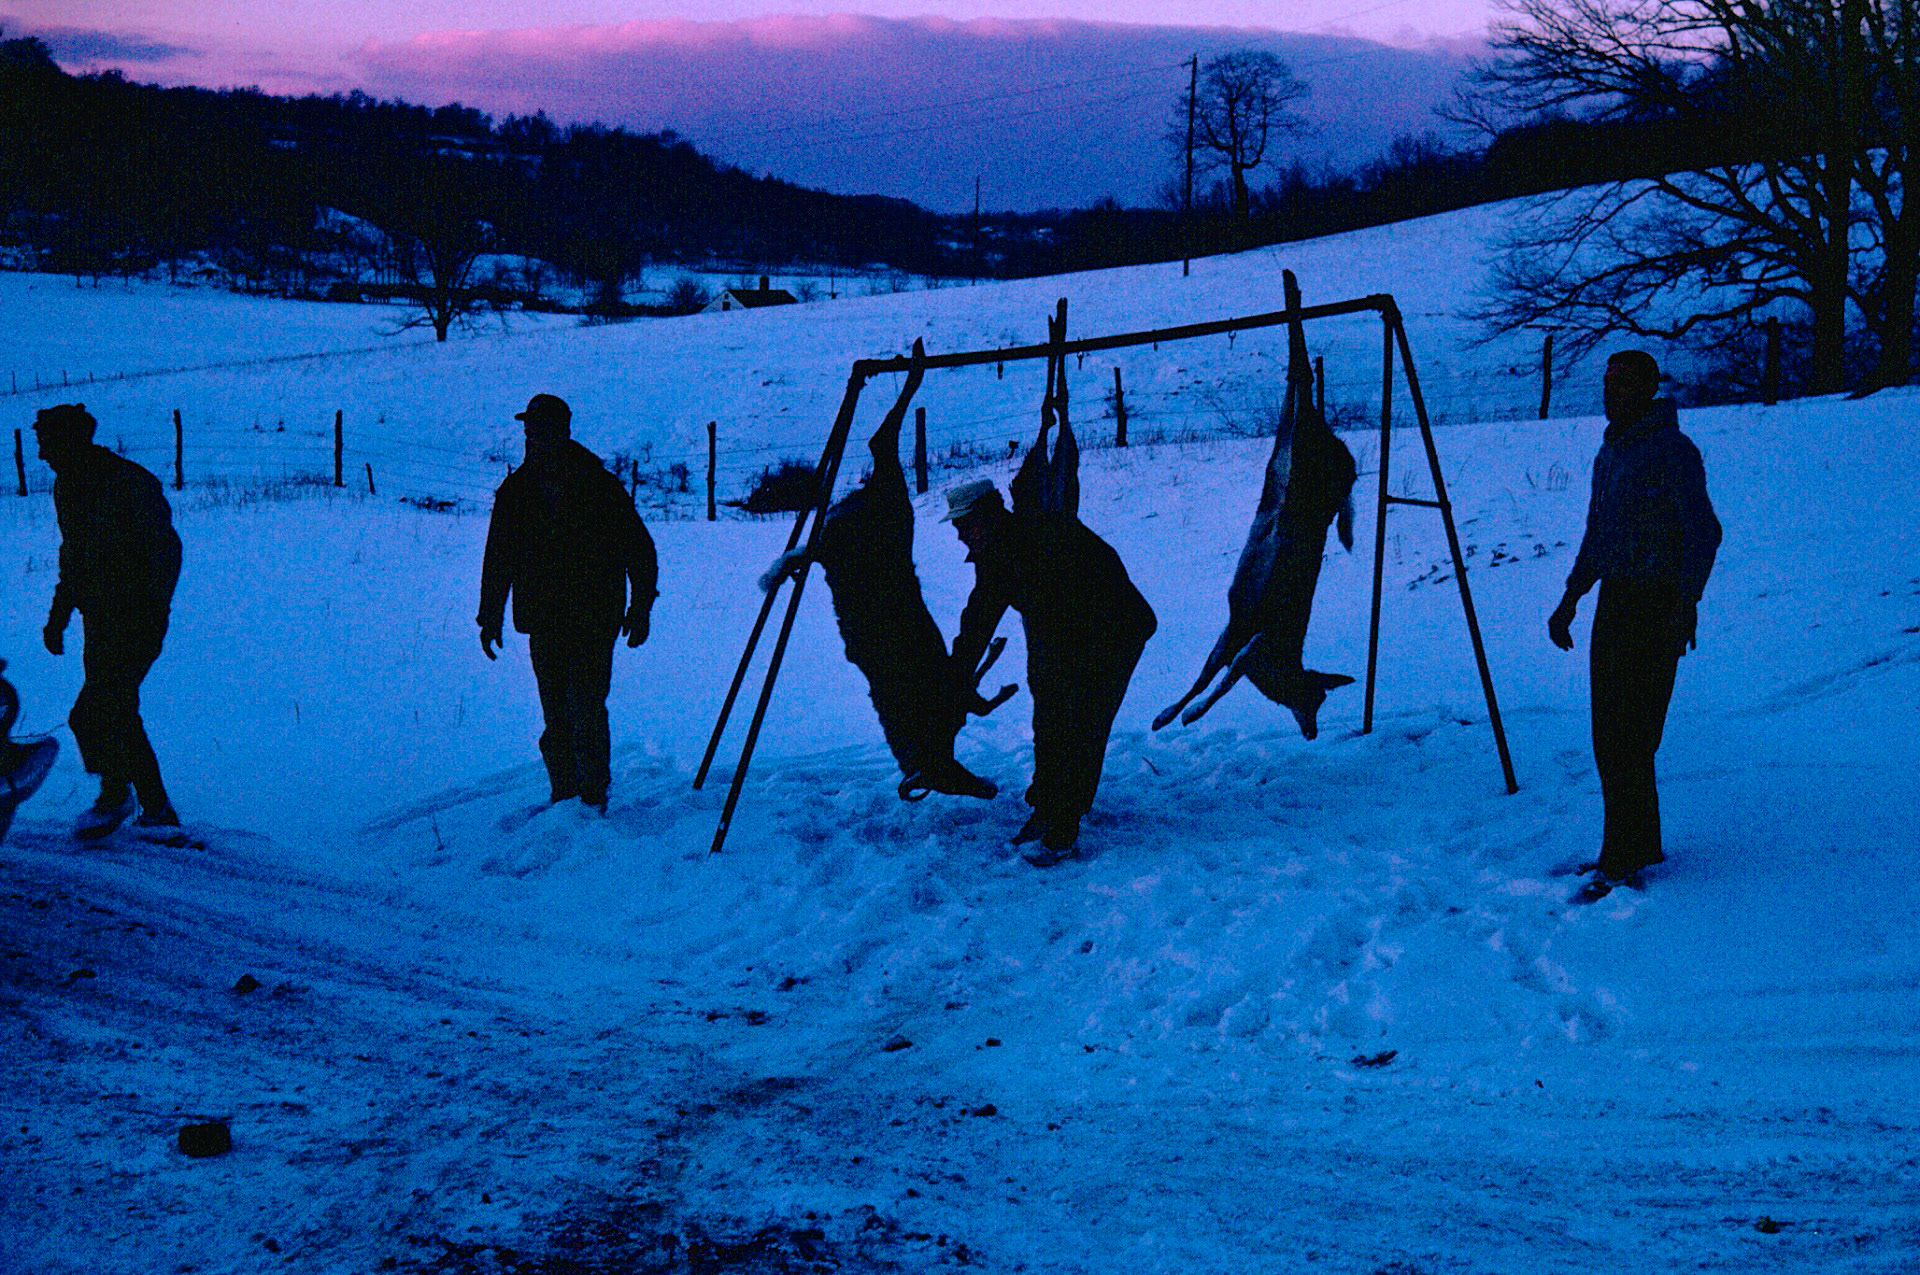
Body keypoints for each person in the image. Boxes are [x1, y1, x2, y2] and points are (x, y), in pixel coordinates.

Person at [763, 341, 1002, 800]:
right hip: (887, 617)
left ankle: (926, 764)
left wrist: (910, 387)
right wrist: (909, 387)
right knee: (923, 687)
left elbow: (881, 445)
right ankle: (928, 764)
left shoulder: (870, 513)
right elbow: (882, 444)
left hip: (880, 617)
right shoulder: (887, 508)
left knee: (910, 691)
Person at [1548, 351, 1722, 900]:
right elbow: (1597, 534)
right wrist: (1571, 597)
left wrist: (1685, 602)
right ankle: (1629, 845)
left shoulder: (1672, 450)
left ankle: (1625, 856)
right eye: (1607, 382)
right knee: (1611, 735)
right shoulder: (1611, 453)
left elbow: (1704, 532)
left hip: (1656, 605)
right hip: (1615, 604)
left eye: (1623, 383)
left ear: (1648, 389)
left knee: (1633, 734)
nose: (1611, 392)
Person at [946, 479, 1156, 866]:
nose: (959, 537)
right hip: (1066, 631)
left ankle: (1062, 827)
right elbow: (979, 617)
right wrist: (953, 678)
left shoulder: (1039, 538)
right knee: (1050, 717)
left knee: (1080, 724)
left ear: (985, 518)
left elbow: (1080, 602)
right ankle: (1045, 808)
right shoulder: (998, 549)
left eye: (962, 526)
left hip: (1115, 630)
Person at [479, 394, 658, 811]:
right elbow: (498, 558)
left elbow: (639, 549)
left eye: (539, 431)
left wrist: (641, 607)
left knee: (587, 709)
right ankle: (564, 797)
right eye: (528, 432)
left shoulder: (599, 486)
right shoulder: (517, 491)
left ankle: (593, 798)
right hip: (544, 620)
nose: (532, 439)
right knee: (556, 715)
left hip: (595, 618)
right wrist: (490, 617)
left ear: (562, 432)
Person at [34, 404, 184, 839]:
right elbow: (74, 555)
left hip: (134, 619)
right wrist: (59, 616)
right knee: (112, 710)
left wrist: (147, 609)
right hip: (99, 618)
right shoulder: (68, 485)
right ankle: (146, 805)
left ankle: (123, 798)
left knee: (100, 710)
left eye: (47, 443)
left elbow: (165, 551)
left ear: (71, 440)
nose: (42, 455)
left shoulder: (127, 482)